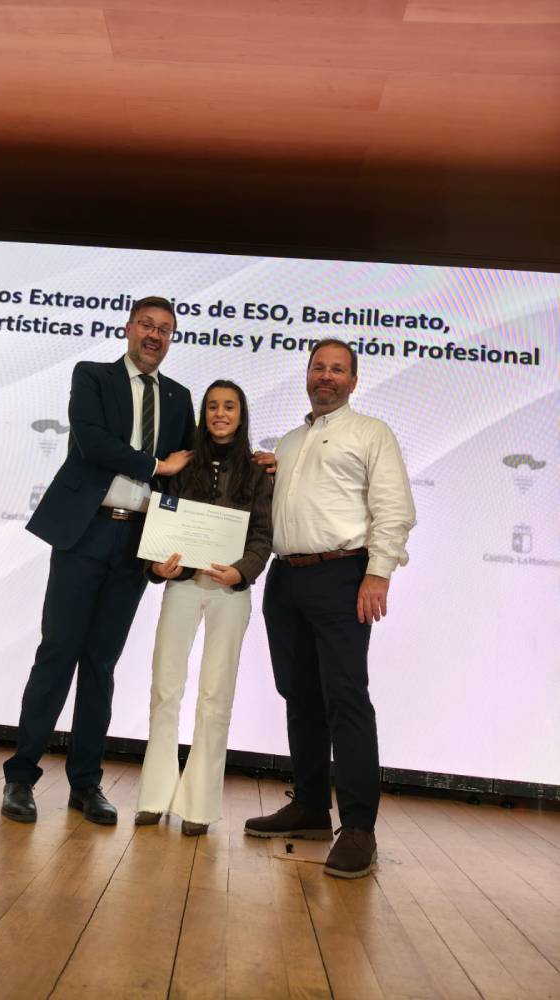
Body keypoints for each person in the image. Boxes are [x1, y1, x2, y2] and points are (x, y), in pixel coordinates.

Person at [1, 296, 195, 826]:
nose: (154, 335)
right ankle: (21, 778)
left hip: (135, 542)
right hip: (85, 532)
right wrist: (155, 465)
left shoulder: (179, 397)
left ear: (171, 338)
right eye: (146, 325)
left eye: (164, 329)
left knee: (101, 666)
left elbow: (191, 468)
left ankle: (86, 785)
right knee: (57, 654)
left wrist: (260, 461)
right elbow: (92, 443)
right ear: (129, 329)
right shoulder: (91, 376)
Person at [245, 339, 415, 878]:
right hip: (286, 579)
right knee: (299, 695)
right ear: (307, 375)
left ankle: (359, 828)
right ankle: (312, 807)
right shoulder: (291, 441)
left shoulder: (371, 433)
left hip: (343, 575)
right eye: (318, 367)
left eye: (337, 369)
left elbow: (394, 508)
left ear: (353, 381)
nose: (326, 376)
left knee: (345, 698)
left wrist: (378, 572)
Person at [134, 381, 273, 835]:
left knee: (215, 696)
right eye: (212, 406)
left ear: (241, 414)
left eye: (229, 406)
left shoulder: (257, 472)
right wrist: (158, 566)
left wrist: (243, 571)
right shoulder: (183, 466)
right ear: (203, 414)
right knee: (165, 688)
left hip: (229, 591)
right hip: (183, 587)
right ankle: (154, 796)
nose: (220, 413)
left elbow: (262, 536)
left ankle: (198, 805)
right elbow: (161, 524)